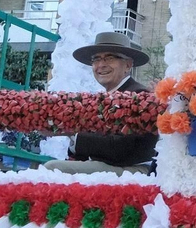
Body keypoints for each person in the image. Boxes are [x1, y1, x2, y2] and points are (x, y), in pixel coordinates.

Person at [45, 32, 157, 175]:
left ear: (128, 65)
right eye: (96, 59)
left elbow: (121, 148)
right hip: (110, 165)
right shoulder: (103, 98)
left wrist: (71, 132)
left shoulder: (139, 95)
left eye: (109, 58)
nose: (101, 65)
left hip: (131, 169)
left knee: (52, 169)